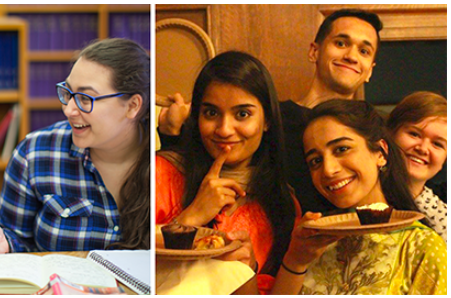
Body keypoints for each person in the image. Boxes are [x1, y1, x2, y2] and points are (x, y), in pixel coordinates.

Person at [158, 9, 384, 214]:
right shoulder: (269, 120)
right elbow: (196, 170)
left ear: (371, 71)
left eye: (364, 51)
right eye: (341, 43)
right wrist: (171, 132)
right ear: (314, 51)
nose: (352, 56)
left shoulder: (375, 130)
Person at [0, 38, 151, 254]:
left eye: (85, 98)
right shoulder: (35, 153)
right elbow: (14, 236)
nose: (69, 110)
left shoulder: (158, 157)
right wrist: (1, 243)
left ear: (132, 106)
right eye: (68, 93)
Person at [156, 51, 299, 294]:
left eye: (242, 114)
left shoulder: (282, 202)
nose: (224, 129)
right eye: (211, 113)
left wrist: (249, 269)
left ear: (267, 121)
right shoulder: (162, 173)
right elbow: (121, 258)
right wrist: (192, 217)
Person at [271, 100, 446, 295]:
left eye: (341, 149)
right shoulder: (313, 241)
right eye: (316, 161)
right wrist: (295, 260)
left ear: (381, 152)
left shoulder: (422, 247)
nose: (328, 170)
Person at [387, 91, 446, 240]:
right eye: (414, 134)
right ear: (390, 133)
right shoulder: (362, 197)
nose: (423, 148)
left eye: (437, 144)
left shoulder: (445, 220)